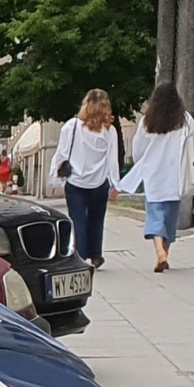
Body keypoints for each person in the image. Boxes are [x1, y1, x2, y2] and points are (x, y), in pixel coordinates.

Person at [122, 82, 194, 271]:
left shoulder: (147, 121)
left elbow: (138, 150)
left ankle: (160, 252)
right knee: (169, 219)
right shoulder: (184, 119)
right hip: (176, 175)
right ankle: (163, 253)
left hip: (154, 175)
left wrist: (142, 162)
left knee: (155, 215)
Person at [50, 89, 122, 268]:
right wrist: (115, 183)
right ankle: (96, 254)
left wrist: (54, 178)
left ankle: (80, 256)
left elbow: (62, 154)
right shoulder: (109, 130)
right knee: (97, 219)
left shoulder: (71, 126)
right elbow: (112, 159)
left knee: (78, 219)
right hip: (99, 182)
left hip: (76, 181)